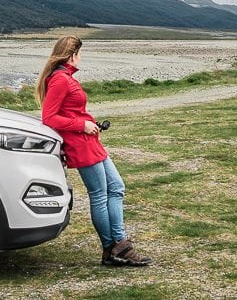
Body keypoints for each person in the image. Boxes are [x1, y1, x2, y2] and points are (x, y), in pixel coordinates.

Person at [36, 35, 151, 267]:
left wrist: (90, 123)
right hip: (80, 144)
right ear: (71, 55)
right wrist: (82, 125)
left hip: (89, 141)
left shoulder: (65, 77)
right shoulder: (60, 79)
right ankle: (117, 246)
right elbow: (49, 118)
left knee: (116, 187)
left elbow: (70, 111)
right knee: (99, 194)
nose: (81, 58)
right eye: (79, 53)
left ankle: (116, 247)